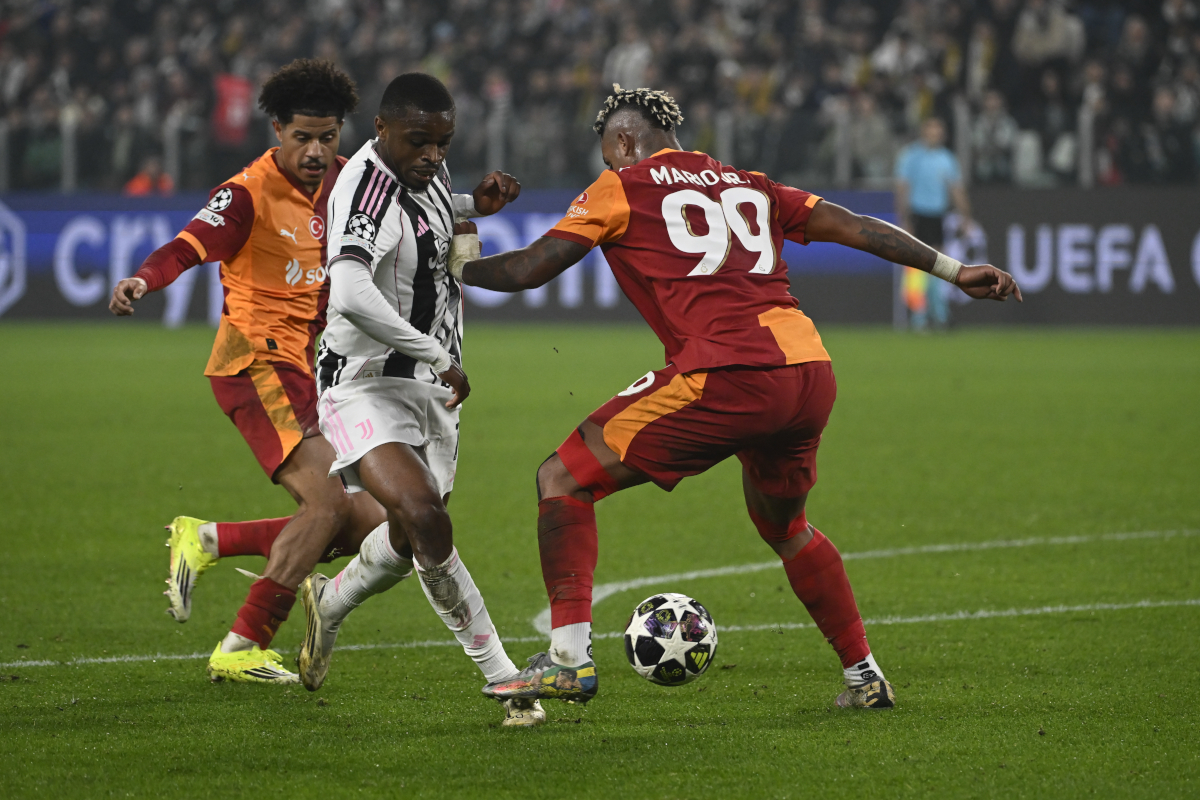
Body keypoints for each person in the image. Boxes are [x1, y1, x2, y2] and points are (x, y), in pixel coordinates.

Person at [446, 85, 1021, 710]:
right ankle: (865, 676)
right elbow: (855, 227)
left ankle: (567, 661)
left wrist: (463, 261)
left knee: (562, 477)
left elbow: (531, 268)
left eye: (609, 153)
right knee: (786, 525)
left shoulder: (622, 186)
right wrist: (953, 270)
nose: (607, 166)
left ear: (626, 140)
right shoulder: (751, 183)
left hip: (727, 373)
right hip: (806, 370)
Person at [109, 59, 387, 684]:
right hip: (255, 363)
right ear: (277, 130)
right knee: (324, 506)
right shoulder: (246, 194)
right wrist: (142, 280)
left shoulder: (350, 184)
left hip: (315, 372)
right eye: (302, 138)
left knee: (376, 525)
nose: (316, 152)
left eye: (328, 137)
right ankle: (242, 645)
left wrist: (475, 204)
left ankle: (209, 540)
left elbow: (415, 208)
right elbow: (186, 245)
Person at [295, 73, 543, 727]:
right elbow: (349, 292)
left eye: (443, 142)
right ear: (380, 131)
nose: (433, 154)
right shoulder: (366, 187)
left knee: (408, 536)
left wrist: (474, 207)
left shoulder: (424, 169)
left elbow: (437, 224)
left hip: (431, 386)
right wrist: (436, 353)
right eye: (419, 142)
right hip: (363, 380)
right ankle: (505, 679)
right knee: (426, 515)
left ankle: (329, 602)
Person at [894, 117, 972, 330]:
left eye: (938, 130)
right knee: (918, 266)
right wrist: (905, 218)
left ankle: (939, 313)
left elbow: (956, 189)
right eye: (931, 129)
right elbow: (902, 188)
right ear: (923, 131)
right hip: (918, 214)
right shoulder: (911, 156)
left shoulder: (947, 159)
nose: (934, 134)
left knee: (937, 266)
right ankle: (920, 316)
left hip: (937, 215)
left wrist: (965, 217)